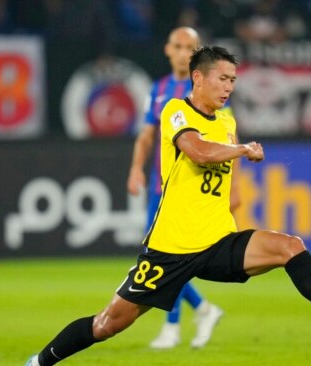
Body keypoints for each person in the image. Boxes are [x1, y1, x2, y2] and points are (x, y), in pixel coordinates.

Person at [25, 45, 311, 366]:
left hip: (216, 241)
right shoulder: (175, 111)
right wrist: (243, 150)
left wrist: (234, 190)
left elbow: (220, 175)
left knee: (289, 246)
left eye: (232, 80)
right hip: (170, 249)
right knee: (107, 324)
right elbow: (197, 151)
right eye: (222, 78)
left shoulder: (227, 121)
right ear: (198, 78)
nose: (229, 87)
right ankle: (38, 362)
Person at [127, 26, 228, 349]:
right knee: (156, 256)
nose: (184, 52)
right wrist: (135, 169)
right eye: (179, 46)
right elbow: (146, 136)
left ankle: (176, 324)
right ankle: (201, 309)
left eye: (191, 47)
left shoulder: (206, 88)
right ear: (167, 50)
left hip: (191, 190)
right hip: (161, 189)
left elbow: (224, 137)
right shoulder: (157, 89)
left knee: (165, 258)